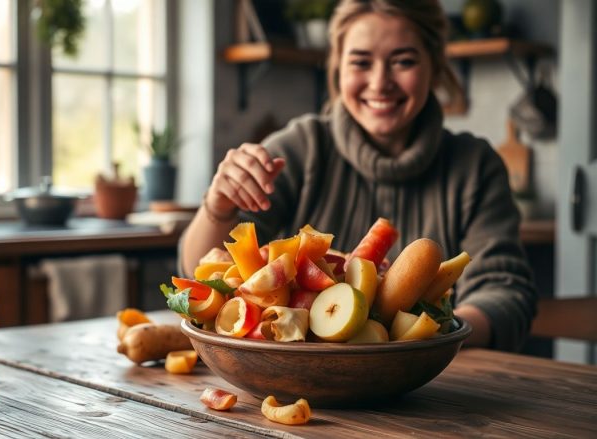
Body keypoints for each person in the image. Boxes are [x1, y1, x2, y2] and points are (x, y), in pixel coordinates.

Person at [179, 0, 537, 352]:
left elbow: (506, 294)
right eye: (361, 62)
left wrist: (417, 342)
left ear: (435, 65)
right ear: (337, 68)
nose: (380, 83)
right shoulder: (300, 148)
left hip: (437, 383)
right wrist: (218, 205)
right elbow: (199, 276)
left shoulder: (475, 165)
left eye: (404, 61)